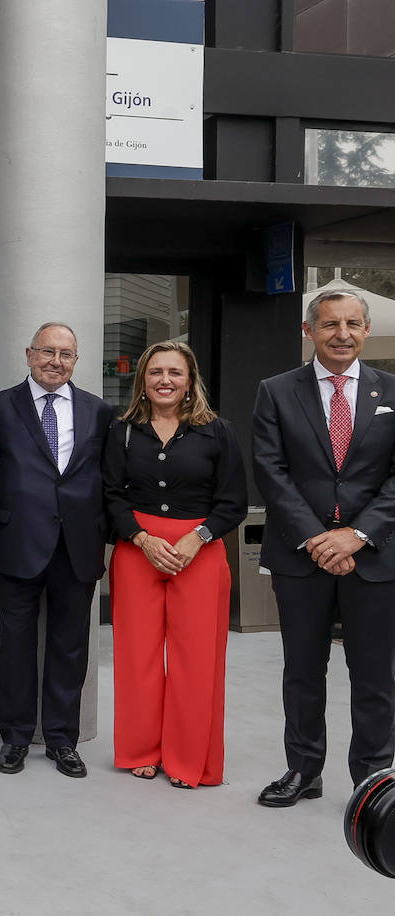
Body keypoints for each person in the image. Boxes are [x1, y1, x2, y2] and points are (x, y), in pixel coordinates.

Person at [253, 289, 395, 806]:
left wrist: (355, 534)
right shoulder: (276, 390)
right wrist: (317, 537)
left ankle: (375, 782)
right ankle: (303, 771)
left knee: (376, 674)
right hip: (300, 555)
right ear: (309, 331)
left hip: (375, 556)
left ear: (366, 329)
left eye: (354, 324)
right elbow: (270, 471)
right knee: (303, 670)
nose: (343, 334)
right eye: (331, 324)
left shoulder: (392, 390)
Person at [104, 341, 246, 788]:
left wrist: (196, 538)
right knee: (137, 657)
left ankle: (189, 760)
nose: (165, 380)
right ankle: (141, 751)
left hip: (199, 552)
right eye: (155, 372)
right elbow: (110, 494)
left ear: (190, 382)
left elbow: (234, 502)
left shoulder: (217, 431)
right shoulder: (123, 429)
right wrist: (142, 539)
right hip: (137, 551)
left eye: (175, 373)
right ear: (142, 381)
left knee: (196, 661)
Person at [0, 322, 113, 778]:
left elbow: (106, 478)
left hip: (77, 544)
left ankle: (62, 739)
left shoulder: (98, 411)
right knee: (15, 644)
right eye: (47, 352)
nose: (56, 361)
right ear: (28, 353)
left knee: (70, 645)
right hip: (14, 540)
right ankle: (16, 736)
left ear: (76, 361)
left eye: (66, 354)